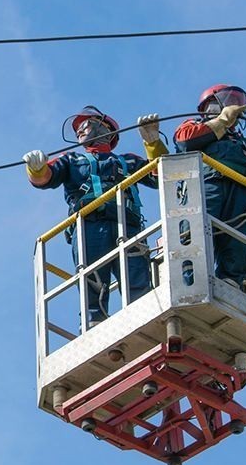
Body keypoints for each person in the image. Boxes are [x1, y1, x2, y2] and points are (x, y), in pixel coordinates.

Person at [139, 85, 246, 289]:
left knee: (236, 239)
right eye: (227, 100)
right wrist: (222, 121)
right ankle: (192, 278)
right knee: (196, 231)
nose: (233, 105)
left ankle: (230, 282)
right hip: (205, 186)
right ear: (208, 106)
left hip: (242, 194)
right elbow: (185, 143)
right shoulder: (192, 127)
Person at [24, 106, 157, 327]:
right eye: (77, 129)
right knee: (92, 279)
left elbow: (161, 174)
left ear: (105, 128)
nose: (79, 131)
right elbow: (47, 178)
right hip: (90, 226)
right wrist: (36, 169)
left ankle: (145, 318)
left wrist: (153, 144)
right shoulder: (73, 160)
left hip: (128, 225)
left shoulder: (128, 162)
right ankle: (95, 322)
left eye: (85, 124)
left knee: (136, 277)